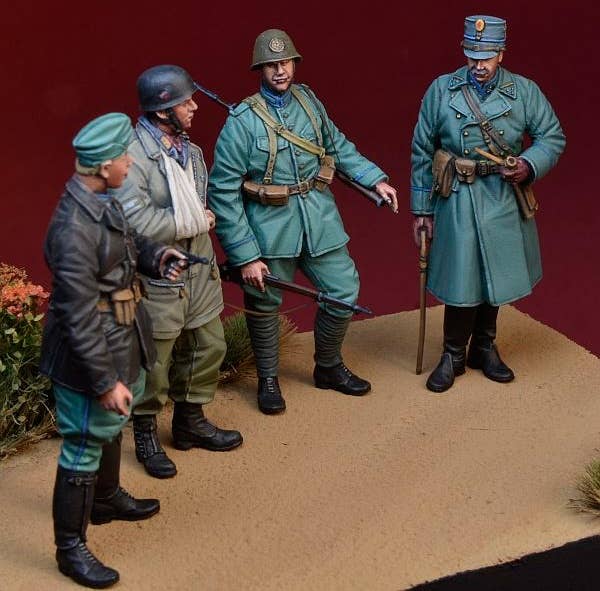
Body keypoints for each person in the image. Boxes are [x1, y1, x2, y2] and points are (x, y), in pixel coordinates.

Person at [208, 29, 398, 415]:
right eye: (271, 65)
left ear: (294, 64)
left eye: (285, 62)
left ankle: (328, 366)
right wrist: (245, 256)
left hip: (318, 219)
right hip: (268, 229)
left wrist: (374, 179)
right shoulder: (242, 122)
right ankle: (268, 379)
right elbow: (223, 192)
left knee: (343, 290)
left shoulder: (309, 102)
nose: (280, 71)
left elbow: (337, 146)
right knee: (264, 304)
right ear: (260, 70)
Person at [40, 113, 187, 588]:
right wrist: (103, 381)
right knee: (83, 444)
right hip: (91, 353)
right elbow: (77, 317)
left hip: (120, 336)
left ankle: (105, 499)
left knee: (109, 426)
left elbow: (128, 242)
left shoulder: (101, 201)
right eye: (125, 156)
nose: (130, 162)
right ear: (104, 167)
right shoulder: (73, 228)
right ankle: (70, 548)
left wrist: (157, 256)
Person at [410, 15, 566, 393]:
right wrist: (422, 210)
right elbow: (421, 151)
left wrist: (528, 164)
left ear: (501, 54)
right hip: (458, 195)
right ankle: (453, 354)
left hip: (501, 194)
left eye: (486, 57)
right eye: (472, 56)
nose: (478, 65)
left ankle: (483, 347)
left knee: (494, 275)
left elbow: (552, 136)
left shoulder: (523, 91)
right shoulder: (441, 90)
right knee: (461, 276)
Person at [114, 65, 242, 479]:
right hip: (160, 272)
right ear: (162, 109)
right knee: (154, 362)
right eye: (186, 101)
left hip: (198, 268)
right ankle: (146, 431)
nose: (194, 107)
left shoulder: (188, 150)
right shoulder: (133, 158)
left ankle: (190, 420)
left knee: (209, 344)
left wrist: (199, 224)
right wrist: (191, 221)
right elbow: (133, 221)